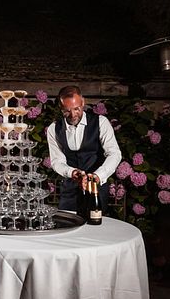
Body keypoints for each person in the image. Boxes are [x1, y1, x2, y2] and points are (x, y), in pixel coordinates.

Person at [46, 85, 122, 213]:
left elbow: (114, 154)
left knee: (95, 224)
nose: (73, 115)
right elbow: (57, 161)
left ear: (83, 102)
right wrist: (71, 172)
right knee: (67, 224)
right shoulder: (54, 129)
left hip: (96, 189)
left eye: (77, 109)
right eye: (67, 111)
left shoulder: (101, 122)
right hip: (70, 190)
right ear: (60, 107)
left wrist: (98, 175)